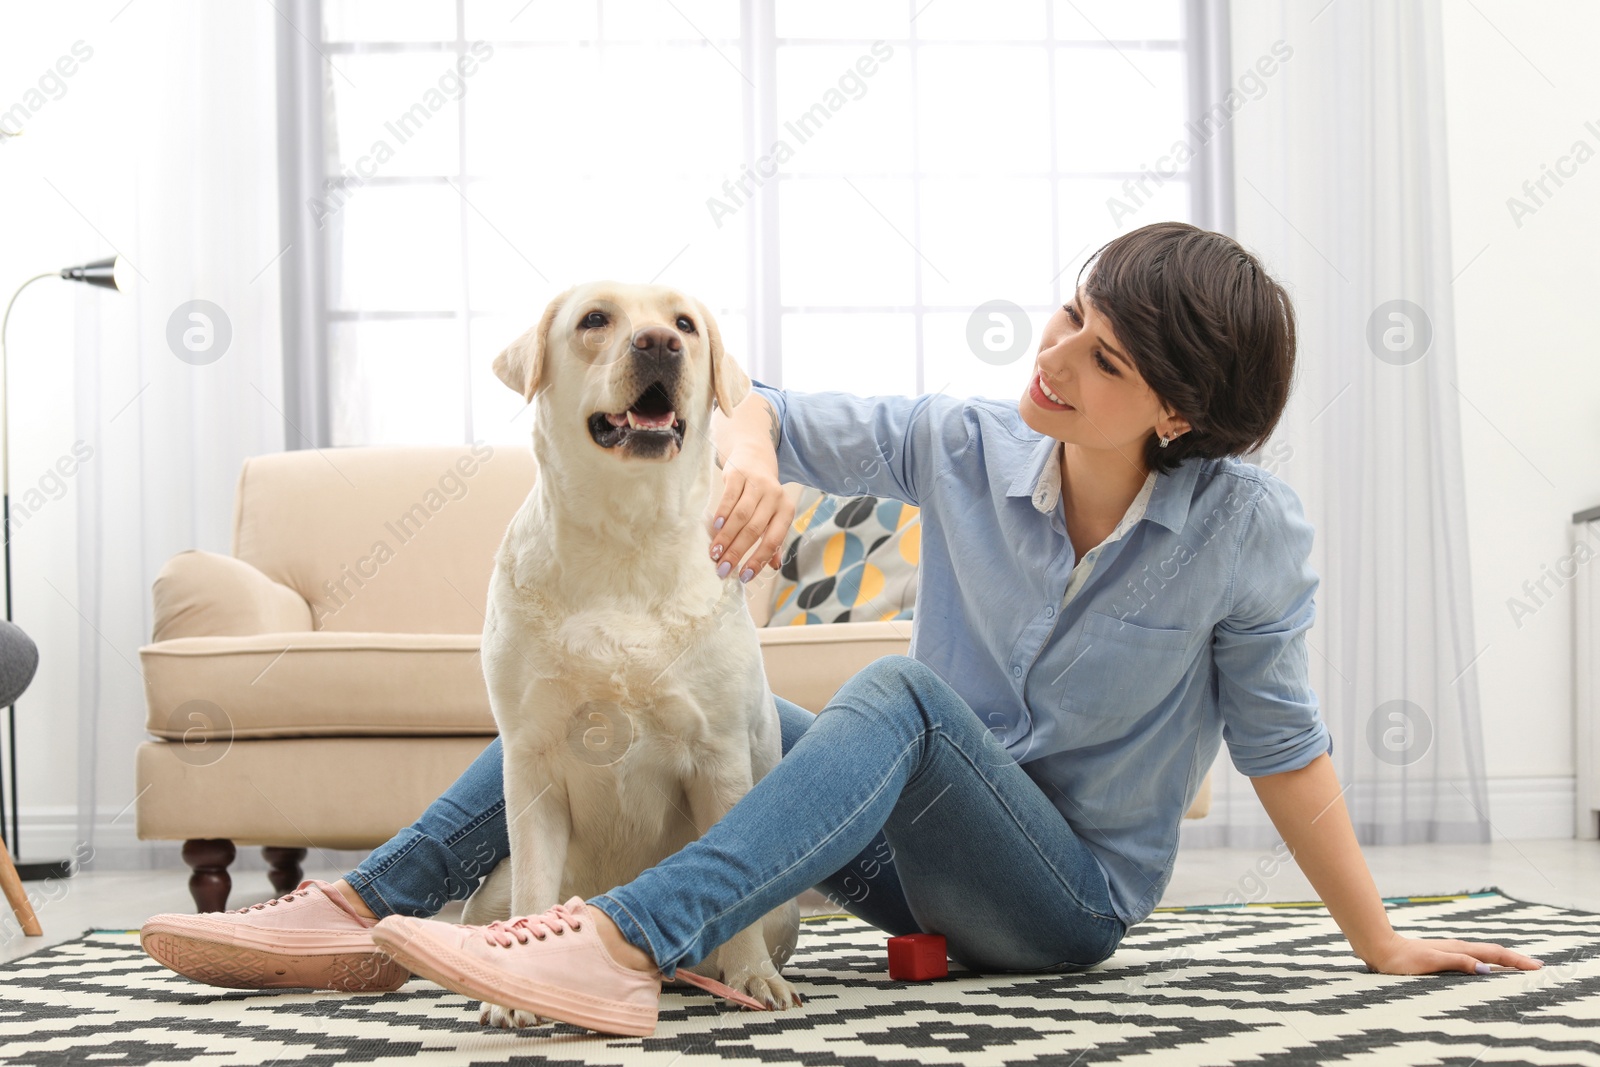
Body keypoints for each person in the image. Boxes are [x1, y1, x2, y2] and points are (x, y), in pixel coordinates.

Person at [141, 222, 1542, 1029]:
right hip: (903, 872)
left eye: (1102, 359)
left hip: (1059, 908)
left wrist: (1380, 944)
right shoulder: (964, 442)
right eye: (1068, 313)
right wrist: (745, 452)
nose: (1051, 358)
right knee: (610, 698)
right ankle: (362, 905)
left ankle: (622, 942)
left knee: (901, 694)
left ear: (1179, 417)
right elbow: (757, 399)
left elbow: (1285, 749)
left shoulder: (1248, 533)